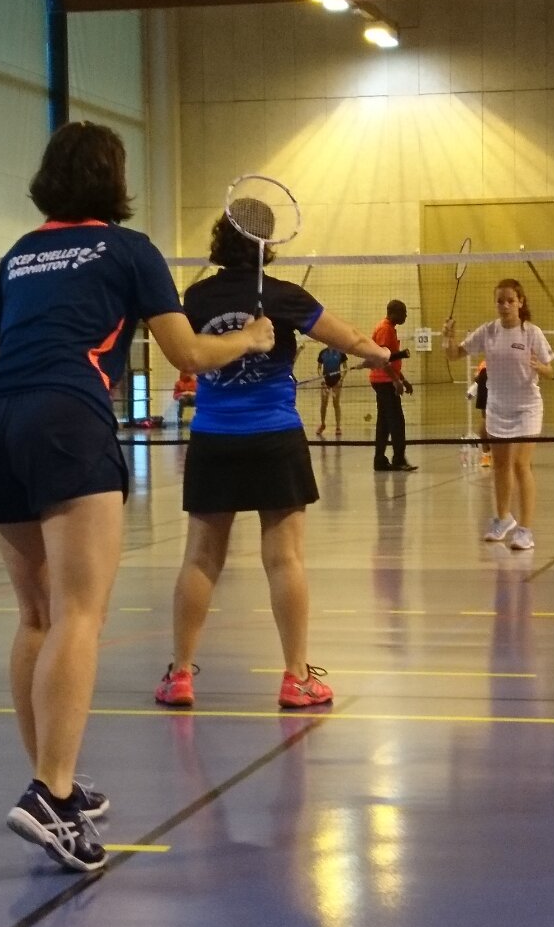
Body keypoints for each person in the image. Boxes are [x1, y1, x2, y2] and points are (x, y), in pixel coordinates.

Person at [0, 120, 274, 874]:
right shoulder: (130, 250)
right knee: (80, 613)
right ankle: (51, 792)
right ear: (114, 178)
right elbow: (187, 352)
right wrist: (252, 338)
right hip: (67, 419)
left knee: (36, 615)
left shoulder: (20, 253)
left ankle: (54, 783)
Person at [153, 206, 389, 713]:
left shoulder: (196, 297)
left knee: (200, 558)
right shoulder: (283, 295)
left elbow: (185, 352)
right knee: (285, 560)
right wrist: (380, 354)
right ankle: (296, 679)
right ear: (269, 243)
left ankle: (180, 675)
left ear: (221, 238)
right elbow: (350, 339)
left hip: (214, 438)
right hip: (274, 438)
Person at [443, 279, 554, 550]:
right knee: (501, 465)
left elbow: (550, 370)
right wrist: (447, 336)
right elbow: (454, 354)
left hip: (527, 407)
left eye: (510, 300)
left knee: (521, 465)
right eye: (500, 301)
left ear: (520, 302)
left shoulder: (531, 333)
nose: (504, 306)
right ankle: (503, 518)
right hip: (497, 407)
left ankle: (525, 530)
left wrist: (539, 366)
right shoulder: (488, 331)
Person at [368, 300, 416, 471]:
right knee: (397, 421)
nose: (406, 316)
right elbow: (382, 360)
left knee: (384, 421)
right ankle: (399, 459)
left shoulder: (390, 329)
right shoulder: (384, 329)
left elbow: (392, 359)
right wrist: (396, 381)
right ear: (394, 312)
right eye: (403, 312)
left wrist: (403, 379)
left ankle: (379, 460)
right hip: (384, 381)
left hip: (386, 380)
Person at [313, 344, 347, 437]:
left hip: (336, 382)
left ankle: (338, 427)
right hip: (325, 382)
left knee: (336, 403)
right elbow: (319, 368)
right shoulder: (322, 353)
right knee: (324, 404)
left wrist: (341, 380)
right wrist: (322, 379)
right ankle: (322, 424)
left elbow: (345, 368)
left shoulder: (341, 353)